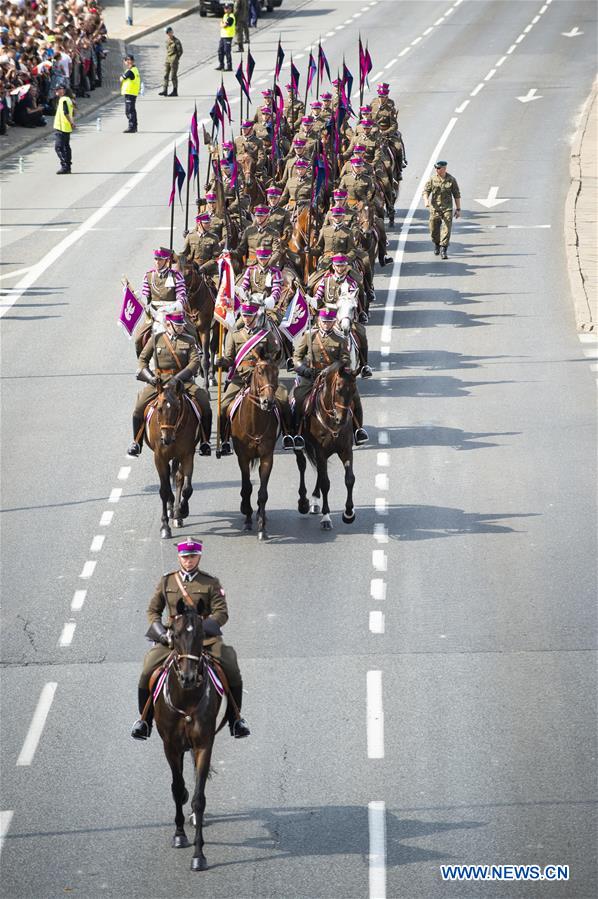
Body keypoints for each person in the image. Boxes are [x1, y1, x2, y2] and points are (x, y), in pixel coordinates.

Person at [131, 537, 250, 740]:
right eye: (185, 557)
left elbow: (221, 613)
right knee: (147, 670)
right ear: (179, 557)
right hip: (174, 639)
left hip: (204, 639)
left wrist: (201, 629)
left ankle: (236, 720)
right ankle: (144, 721)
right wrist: (161, 632)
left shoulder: (210, 582)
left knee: (231, 665)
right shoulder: (167, 581)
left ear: (199, 557)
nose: (189, 561)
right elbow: (153, 611)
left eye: (193, 556)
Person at [214, 301, 299, 454]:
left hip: (264, 378)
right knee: (223, 406)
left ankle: (288, 434)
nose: (246, 318)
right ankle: (225, 439)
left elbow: (276, 355)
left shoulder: (266, 334)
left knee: (283, 398)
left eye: (249, 316)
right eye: (244, 315)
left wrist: (267, 366)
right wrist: (222, 361)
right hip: (241, 377)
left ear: (255, 316)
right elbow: (230, 358)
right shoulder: (234, 335)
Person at [127, 307, 212, 458]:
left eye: (181, 325)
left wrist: (177, 378)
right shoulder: (156, 339)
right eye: (177, 325)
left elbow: (194, 362)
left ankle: (205, 442)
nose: (181, 328)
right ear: (168, 325)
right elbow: (143, 360)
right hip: (160, 382)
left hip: (182, 382)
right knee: (139, 406)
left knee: (204, 402)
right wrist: (150, 378)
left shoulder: (189, 340)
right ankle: (137, 442)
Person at [292, 306, 369, 445]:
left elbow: (345, 360)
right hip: (311, 376)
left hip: (333, 377)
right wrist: (304, 370)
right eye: (324, 321)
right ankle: (297, 433)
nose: (326, 324)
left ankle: (358, 429)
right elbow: (297, 357)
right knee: (298, 398)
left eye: (329, 321)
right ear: (319, 320)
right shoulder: (309, 336)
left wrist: (332, 370)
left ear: (334, 322)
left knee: (354, 397)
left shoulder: (341, 339)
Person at [422, 160, 461, 259]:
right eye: (436, 168)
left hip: (447, 208)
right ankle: (437, 244)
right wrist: (426, 200)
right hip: (435, 208)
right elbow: (426, 191)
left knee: (447, 228)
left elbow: (456, 194)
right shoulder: (432, 179)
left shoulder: (451, 180)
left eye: (439, 168)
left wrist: (458, 209)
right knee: (433, 229)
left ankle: (444, 249)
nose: (437, 170)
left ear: (444, 168)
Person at [53, 83, 74, 174]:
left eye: (58, 89)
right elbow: (71, 112)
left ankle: (65, 166)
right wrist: (71, 123)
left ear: (63, 90)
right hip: (66, 127)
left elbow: (66, 113)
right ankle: (68, 166)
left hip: (62, 127)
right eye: (56, 89)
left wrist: (71, 122)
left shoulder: (64, 100)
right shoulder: (68, 99)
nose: (56, 90)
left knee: (58, 147)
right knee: (66, 147)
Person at [159, 26, 183, 97]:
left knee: (173, 76)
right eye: (167, 33)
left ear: (172, 32)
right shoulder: (167, 41)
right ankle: (165, 90)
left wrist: (176, 58)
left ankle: (175, 91)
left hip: (174, 60)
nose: (169, 34)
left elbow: (180, 51)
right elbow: (168, 49)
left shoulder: (176, 41)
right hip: (168, 59)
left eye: (170, 32)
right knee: (165, 75)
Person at [120, 53, 140, 133]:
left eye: (129, 60)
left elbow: (121, 78)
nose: (128, 62)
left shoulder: (130, 71)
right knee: (131, 110)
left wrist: (122, 77)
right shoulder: (134, 69)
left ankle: (132, 127)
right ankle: (134, 126)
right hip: (131, 92)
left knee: (129, 111)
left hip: (130, 93)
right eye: (127, 60)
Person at [216, 2, 235, 72]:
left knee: (227, 51)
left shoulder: (231, 17)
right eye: (225, 8)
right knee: (220, 51)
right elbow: (221, 23)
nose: (225, 9)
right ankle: (221, 65)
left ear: (230, 9)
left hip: (228, 36)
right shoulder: (225, 15)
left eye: (227, 8)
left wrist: (223, 24)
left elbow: (224, 25)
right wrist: (222, 24)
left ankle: (229, 66)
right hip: (223, 36)